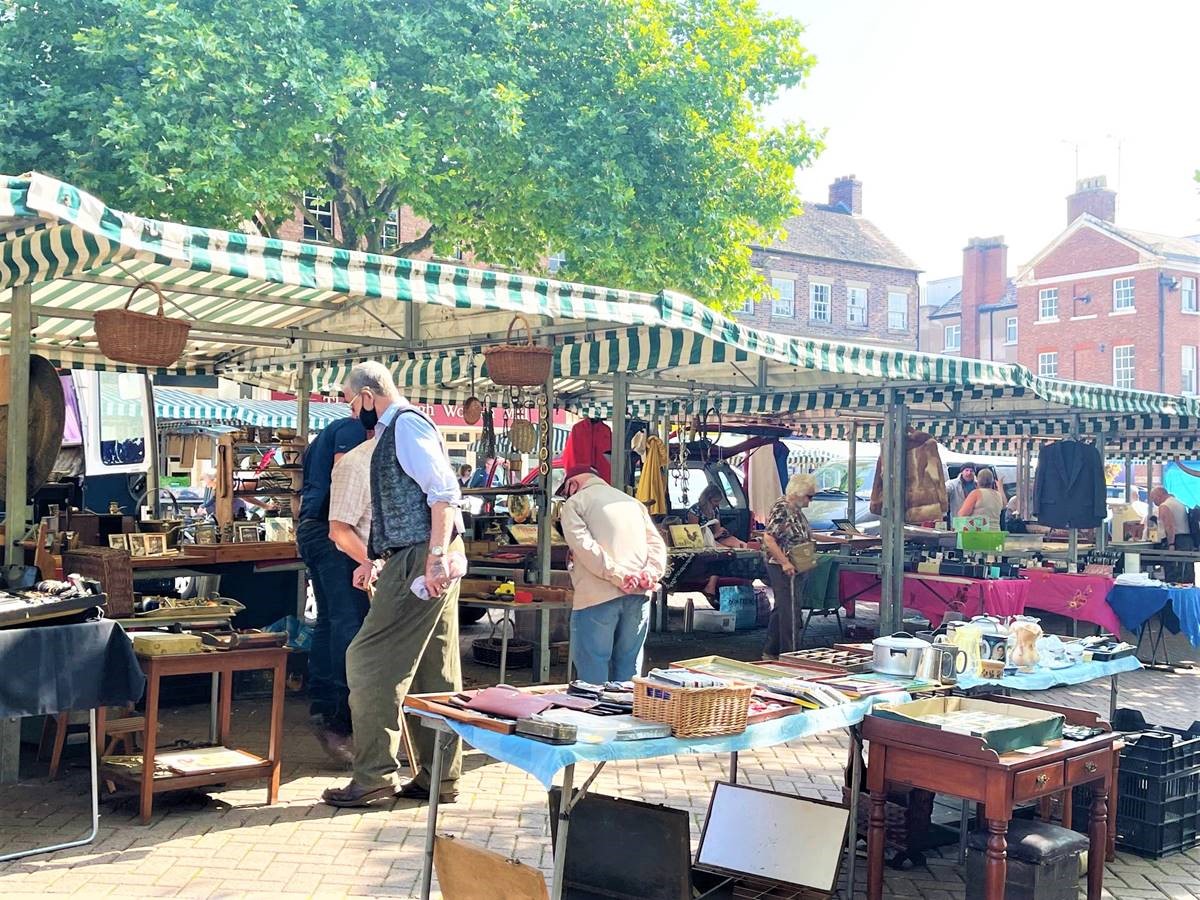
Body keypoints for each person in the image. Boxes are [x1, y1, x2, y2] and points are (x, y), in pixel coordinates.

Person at [322, 363, 467, 808]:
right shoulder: (401, 429)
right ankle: (439, 778)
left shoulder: (404, 426)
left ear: (368, 396)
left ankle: (373, 777)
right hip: (420, 555)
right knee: (433, 671)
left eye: (350, 401)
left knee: (366, 660)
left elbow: (442, 492)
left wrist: (434, 557)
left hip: (420, 557)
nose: (350, 410)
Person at [296, 378, 370, 764]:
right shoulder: (353, 429)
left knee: (330, 620)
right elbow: (345, 472)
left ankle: (324, 706)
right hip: (331, 530)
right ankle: (341, 719)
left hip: (313, 528)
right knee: (348, 622)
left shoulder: (331, 430)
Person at [558, 466, 667, 684]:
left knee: (593, 673)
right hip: (639, 593)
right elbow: (657, 544)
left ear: (573, 484)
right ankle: (625, 716)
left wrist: (618, 575)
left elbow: (584, 547)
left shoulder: (575, 503)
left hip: (597, 596)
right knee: (629, 668)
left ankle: (597, 717)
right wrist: (650, 573)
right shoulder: (632, 503)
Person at [761, 473, 817, 658]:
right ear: (798, 493)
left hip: (794, 564)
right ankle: (790, 653)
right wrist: (785, 562)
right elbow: (769, 538)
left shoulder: (794, 509)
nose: (810, 501)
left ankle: (771, 651)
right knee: (790, 610)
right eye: (809, 496)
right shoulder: (782, 508)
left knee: (783, 607)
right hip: (783, 565)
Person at [1150, 487, 1194, 582]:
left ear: (1160, 495)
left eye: (1153, 498)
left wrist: (1171, 545)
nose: (1154, 502)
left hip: (1175, 541)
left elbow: (1169, 527)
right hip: (1186, 540)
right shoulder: (1179, 503)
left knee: (1173, 573)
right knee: (1186, 572)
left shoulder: (1165, 506)